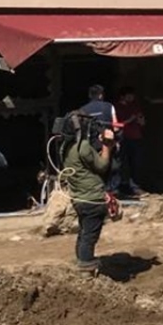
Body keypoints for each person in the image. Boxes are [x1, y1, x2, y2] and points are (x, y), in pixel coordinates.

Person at [61, 116, 115, 273]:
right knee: (90, 236)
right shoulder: (82, 146)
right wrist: (107, 146)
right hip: (93, 198)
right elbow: (103, 165)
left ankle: (81, 261)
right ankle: (86, 266)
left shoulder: (65, 147)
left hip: (79, 198)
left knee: (84, 233)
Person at [113, 86, 146, 198]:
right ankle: (122, 186)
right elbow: (116, 124)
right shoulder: (116, 107)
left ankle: (135, 186)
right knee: (122, 163)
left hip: (136, 137)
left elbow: (142, 121)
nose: (132, 97)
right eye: (129, 95)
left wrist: (141, 120)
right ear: (123, 96)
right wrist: (130, 120)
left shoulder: (135, 106)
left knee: (136, 163)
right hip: (123, 137)